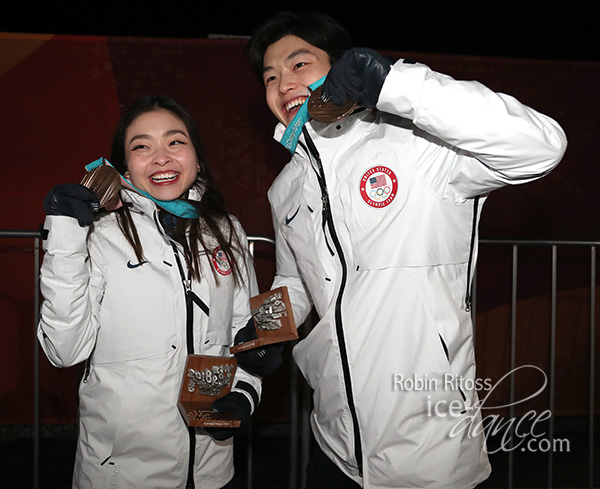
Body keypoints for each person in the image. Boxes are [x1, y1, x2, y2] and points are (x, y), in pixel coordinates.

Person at [245, 11, 567, 489]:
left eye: (299, 64)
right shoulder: (286, 187)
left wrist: (396, 85)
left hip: (428, 451)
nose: (283, 84)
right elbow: (295, 279)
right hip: (332, 440)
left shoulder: (419, 143)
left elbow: (541, 146)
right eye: (270, 77)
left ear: (342, 68)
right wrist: (267, 330)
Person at [38, 95, 262, 489]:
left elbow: (245, 332)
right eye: (142, 146)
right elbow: (64, 350)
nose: (161, 157)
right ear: (123, 167)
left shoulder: (226, 229)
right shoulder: (99, 236)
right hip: (122, 473)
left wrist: (245, 391)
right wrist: (65, 239)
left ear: (196, 156)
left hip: (212, 467)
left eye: (176, 142)